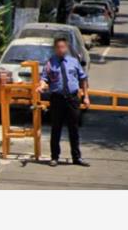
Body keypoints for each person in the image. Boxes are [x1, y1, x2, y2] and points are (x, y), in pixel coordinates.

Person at [37, 36, 91, 167]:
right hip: (57, 99)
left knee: (74, 128)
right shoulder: (50, 63)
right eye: (58, 47)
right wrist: (41, 86)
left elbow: (83, 79)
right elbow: (44, 78)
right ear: (55, 49)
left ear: (66, 48)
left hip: (72, 99)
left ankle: (76, 157)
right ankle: (54, 157)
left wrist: (86, 96)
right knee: (56, 128)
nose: (60, 49)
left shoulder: (74, 62)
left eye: (63, 47)